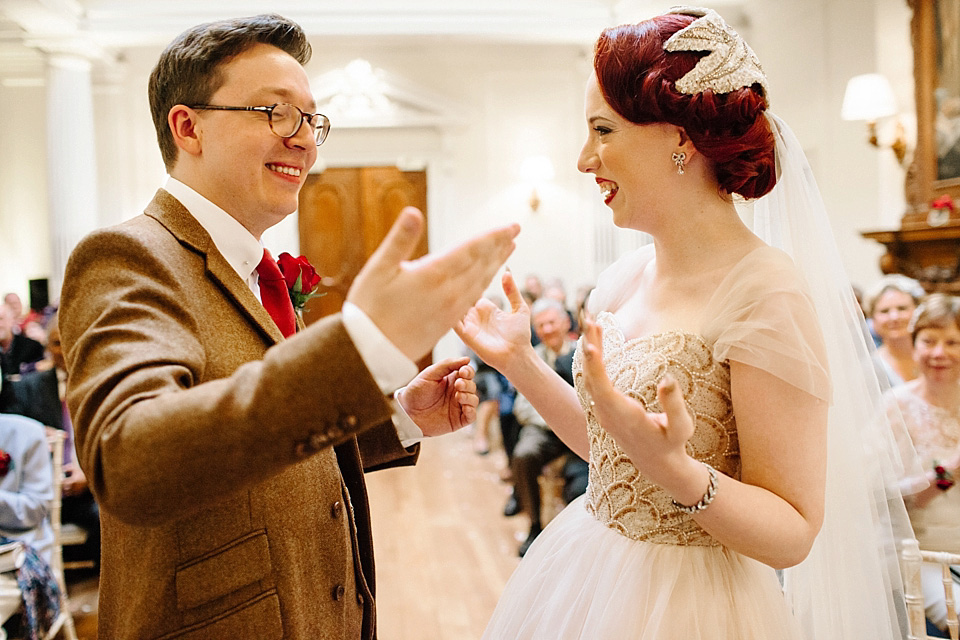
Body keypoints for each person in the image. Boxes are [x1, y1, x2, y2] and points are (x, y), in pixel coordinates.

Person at [458, 7, 916, 639]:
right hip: (588, 572)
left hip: (695, 605)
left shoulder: (766, 292)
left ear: (679, 136)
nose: (584, 160)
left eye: (602, 131)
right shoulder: (623, 279)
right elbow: (614, 457)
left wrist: (679, 473)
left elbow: (793, 533)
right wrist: (521, 364)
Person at [58, 14, 518, 640]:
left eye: (310, 119)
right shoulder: (129, 256)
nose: (304, 139)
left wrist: (399, 415)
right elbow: (131, 462)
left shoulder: (253, 266)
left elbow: (265, 442)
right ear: (188, 126)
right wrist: (358, 349)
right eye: (276, 113)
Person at [887, 294, 960, 637]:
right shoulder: (897, 407)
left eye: (952, 342)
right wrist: (950, 472)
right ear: (914, 346)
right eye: (929, 341)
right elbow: (895, 498)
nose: (939, 353)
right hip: (928, 556)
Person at [6, 315, 100, 568]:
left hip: (88, 493)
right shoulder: (28, 388)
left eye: (70, 342)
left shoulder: (98, 386)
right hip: (39, 491)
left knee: (106, 519)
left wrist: (88, 478)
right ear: (48, 348)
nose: (65, 350)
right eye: (57, 343)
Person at [510, 297, 577, 556]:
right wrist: (554, 417)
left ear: (564, 322)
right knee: (523, 455)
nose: (547, 329)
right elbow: (522, 407)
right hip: (543, 430)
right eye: (540, 325)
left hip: (581, 428)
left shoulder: (581, 351)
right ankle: (534, 525)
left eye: (551, 322)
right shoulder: (531, 358)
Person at [867, 274, 926, 387]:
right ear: (872, 318)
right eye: (884, 311)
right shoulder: (869, 368)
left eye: (902, 308)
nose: (894, 317)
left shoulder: (935, 356)